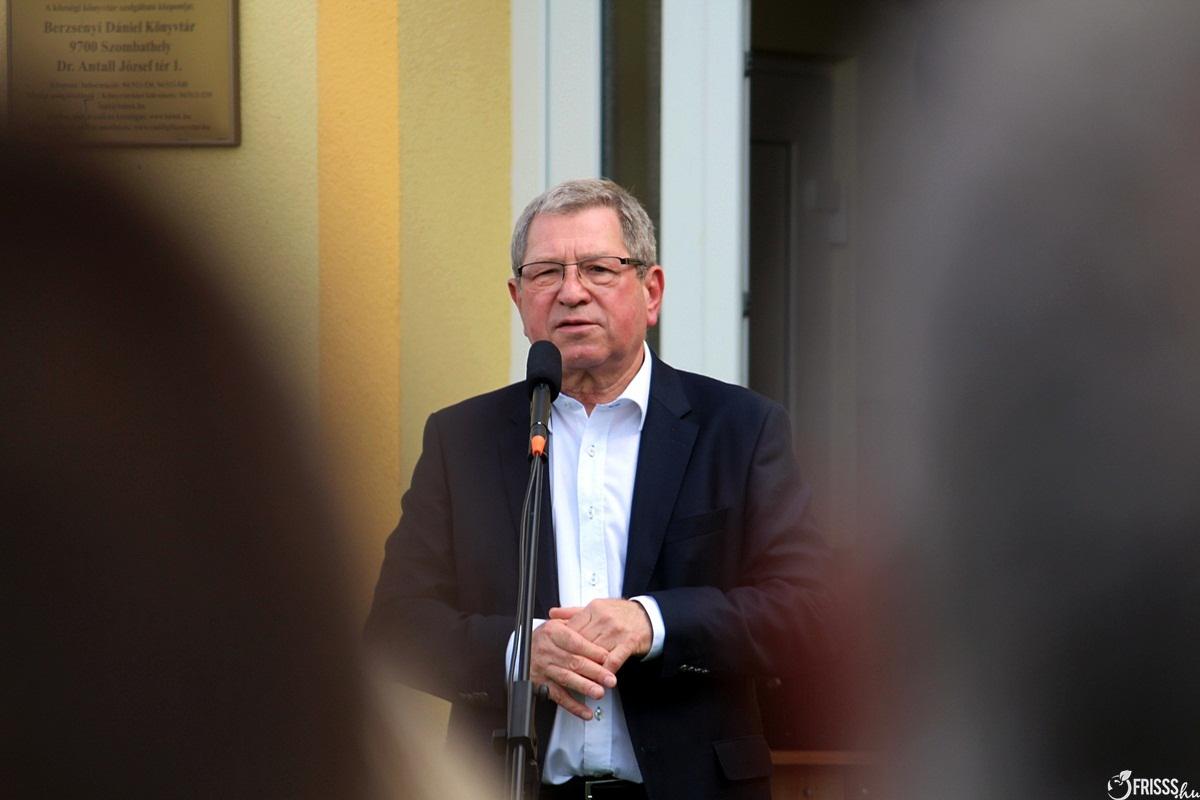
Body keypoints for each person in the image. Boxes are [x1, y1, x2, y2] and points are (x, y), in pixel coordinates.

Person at [366, 179, 829, 799]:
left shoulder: (740, 428)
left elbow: (807, 609)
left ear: (651, 291)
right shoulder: (463, 438)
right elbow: (398, 625)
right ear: (518, 298)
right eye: (546, 273)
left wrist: (653, 622)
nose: (571, 291)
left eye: (598, 268)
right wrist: (519, 652)